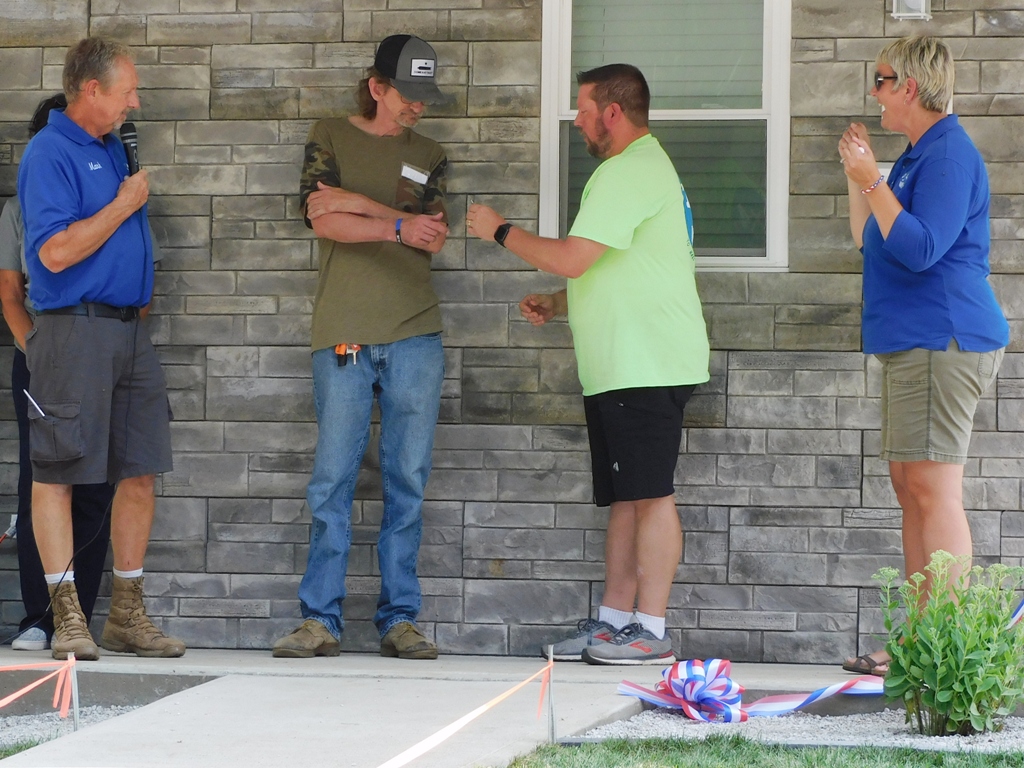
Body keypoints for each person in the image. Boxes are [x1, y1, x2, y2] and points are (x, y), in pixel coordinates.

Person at [467, 64, 710, 665]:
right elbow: (613, 267)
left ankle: (651, 631)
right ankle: (614, 624)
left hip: (647, 363)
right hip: (624, 365)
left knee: (650, 495)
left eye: (582, 108)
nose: (576, 120)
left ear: (612, 112)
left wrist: (499, 230)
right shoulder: (637, 168)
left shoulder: (630, 170)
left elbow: (574, 257)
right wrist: (558, 302)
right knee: (628, 497)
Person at [272, 34, 450, 660]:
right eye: (408, 94)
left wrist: (362, 206)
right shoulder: (329, 135)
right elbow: (323, 219)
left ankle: (399, 619)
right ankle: (319, 619)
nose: (418, 106)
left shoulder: (430, 154)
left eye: (425, 96)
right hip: (343, 330)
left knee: (408, 480)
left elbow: (432, 237)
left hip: (416, 333)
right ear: (377, 87)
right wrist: (395, 222)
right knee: (332, 481)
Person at [838, 36, 1008, 677]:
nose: (875, 92)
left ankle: (946, 649)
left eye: (881, 80)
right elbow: (871, 236)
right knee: (911, 487)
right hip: (914, 345)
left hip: (944, 339)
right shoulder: (915, 156)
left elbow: (921, 249)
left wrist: (872, 178)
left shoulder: (948, 156)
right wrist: (859, 178)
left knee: (933, 492)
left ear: (909, 86)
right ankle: (920, 642)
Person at [17, 37, 185, 660]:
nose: (134, 103)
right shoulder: (49, 152)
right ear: (91, 89)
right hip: (74, 329)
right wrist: (123, 204)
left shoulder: (115, 147)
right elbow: (55, 252)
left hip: (128, 332)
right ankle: (66, 619)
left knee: (140, 469)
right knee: (58, 471)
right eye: (127, 91)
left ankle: (127, 618)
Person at [1, 94, 115, 652]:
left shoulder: (118, 198)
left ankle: (79, 618)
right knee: (43, 482)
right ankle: (39, 618)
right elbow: (9, 292)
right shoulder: (18, 210)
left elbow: (139, 288)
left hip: (105, 354)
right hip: (41, 355)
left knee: (94, 486)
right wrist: (39, 351)